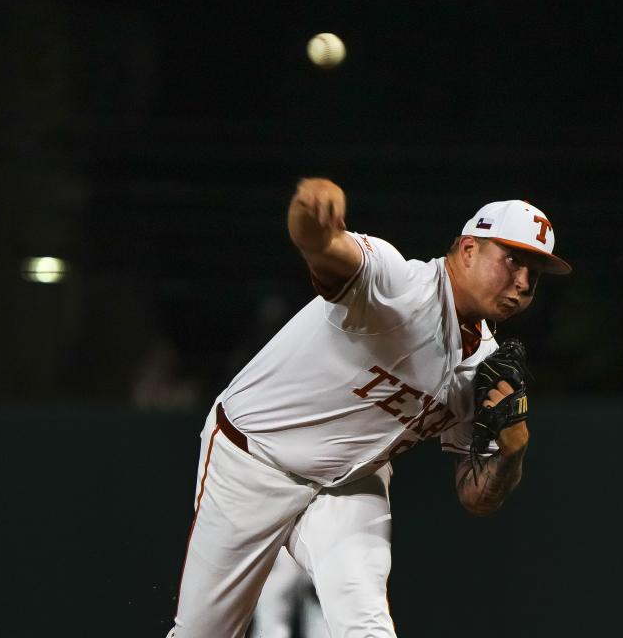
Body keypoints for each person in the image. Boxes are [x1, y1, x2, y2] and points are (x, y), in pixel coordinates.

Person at [166, 177, 571, 638]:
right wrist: (310, 208)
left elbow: (475, 497)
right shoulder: (397, 285)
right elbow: (320, 245)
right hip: (252, 458)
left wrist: (511, 453)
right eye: (512, 259)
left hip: (348, 484)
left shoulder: (484, 369)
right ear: (467, 249)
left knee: (367, 627)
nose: (522, 282)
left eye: (533, 273)